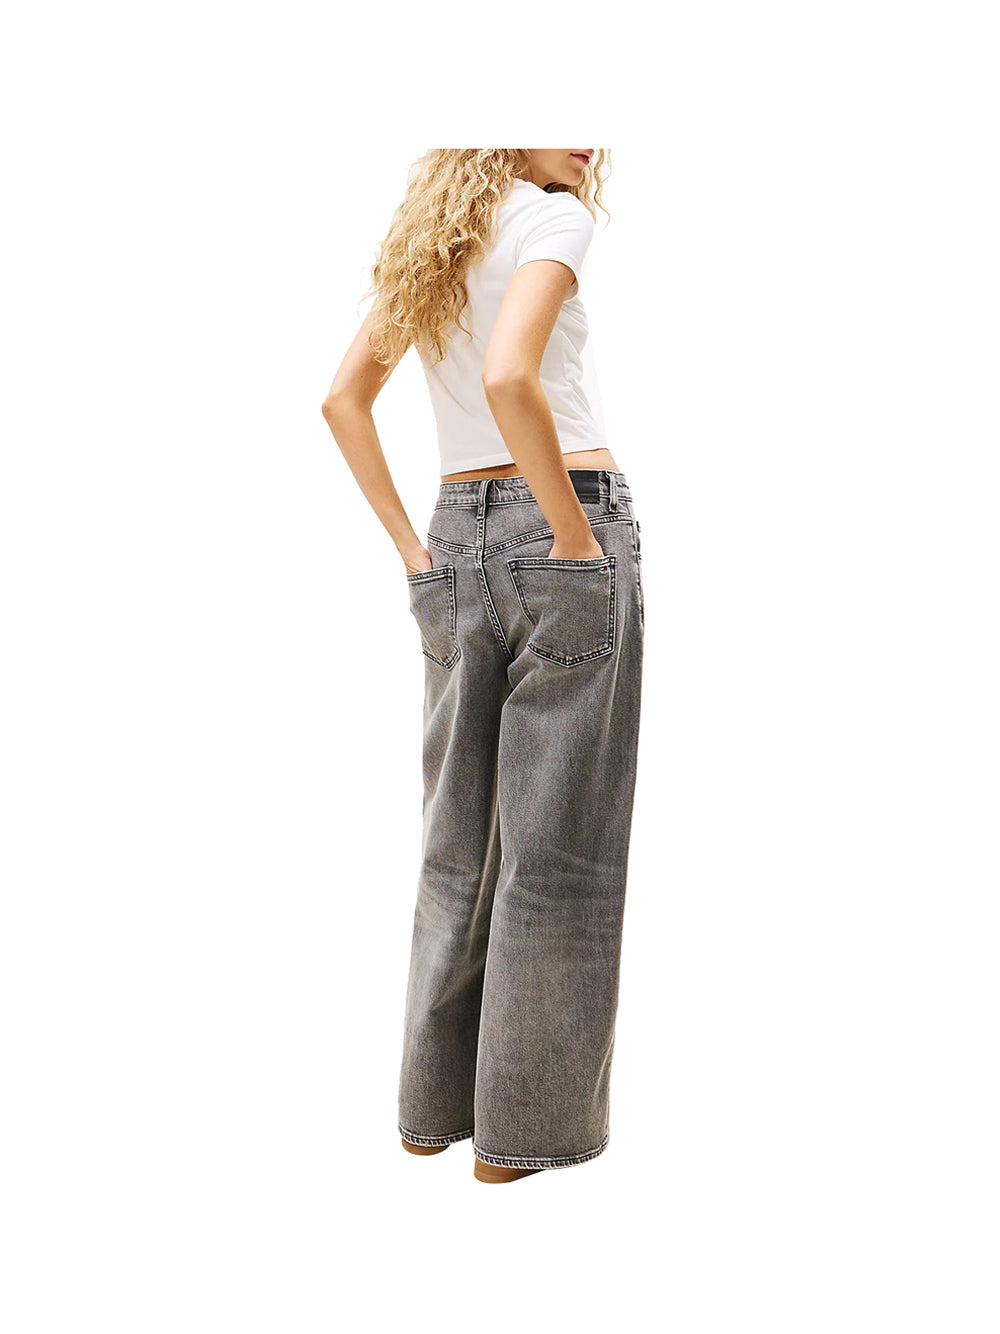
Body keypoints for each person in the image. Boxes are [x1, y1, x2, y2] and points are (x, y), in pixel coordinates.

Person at [321, 148, 644, 1183]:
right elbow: (511, 373)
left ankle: (430, 1118)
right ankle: (517, 1145)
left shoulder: (435, 237)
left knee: (456, 845)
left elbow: (343, 400)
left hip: (454, 534)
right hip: (567, 518)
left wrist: (414, 552)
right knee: (561, 853)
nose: (586, 140)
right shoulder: (554, 220)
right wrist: (572, 535)